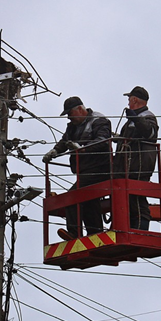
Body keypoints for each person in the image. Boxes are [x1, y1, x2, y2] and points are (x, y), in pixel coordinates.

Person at [43, 96, 112, 240]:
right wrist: (55, 151)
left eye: (70, 113)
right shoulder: (73, 126)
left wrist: (83, 148)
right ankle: (95, 233)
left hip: (99, 169)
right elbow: (65, 141)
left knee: (72, 196)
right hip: (85, 171)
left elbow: (103, 141)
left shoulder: (99, 121)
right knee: (89, 201)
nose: (69, 117)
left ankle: (74, 233)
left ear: (80, 109)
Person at [113, 86, 159, 231]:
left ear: (134, 100)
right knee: (125, 199)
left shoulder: (147, 117)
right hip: (127, 166)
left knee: (137, 200)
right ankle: (124, 228)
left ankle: (140, 231)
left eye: (129, 100)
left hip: (138, 166)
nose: (128, 103)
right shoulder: (131, 121)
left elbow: (150, 134)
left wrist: (135, 118)